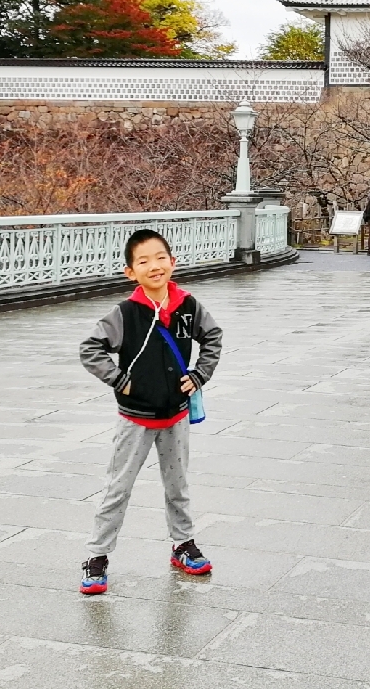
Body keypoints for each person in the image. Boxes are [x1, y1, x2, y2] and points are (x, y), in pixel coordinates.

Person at [78, 229, 222, 595]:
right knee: (118, 487)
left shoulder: (189, 305)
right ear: (131, 272)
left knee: (178, 486)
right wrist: (120, 381)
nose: (154, 266)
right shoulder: (125, 314)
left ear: (172, 263)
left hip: (175, 415)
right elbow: (90, 349)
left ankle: (183, 544)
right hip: (135, 417)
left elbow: (213, 337)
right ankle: (97, 557)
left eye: (160, 258)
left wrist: (199, 374)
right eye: (143, 261)